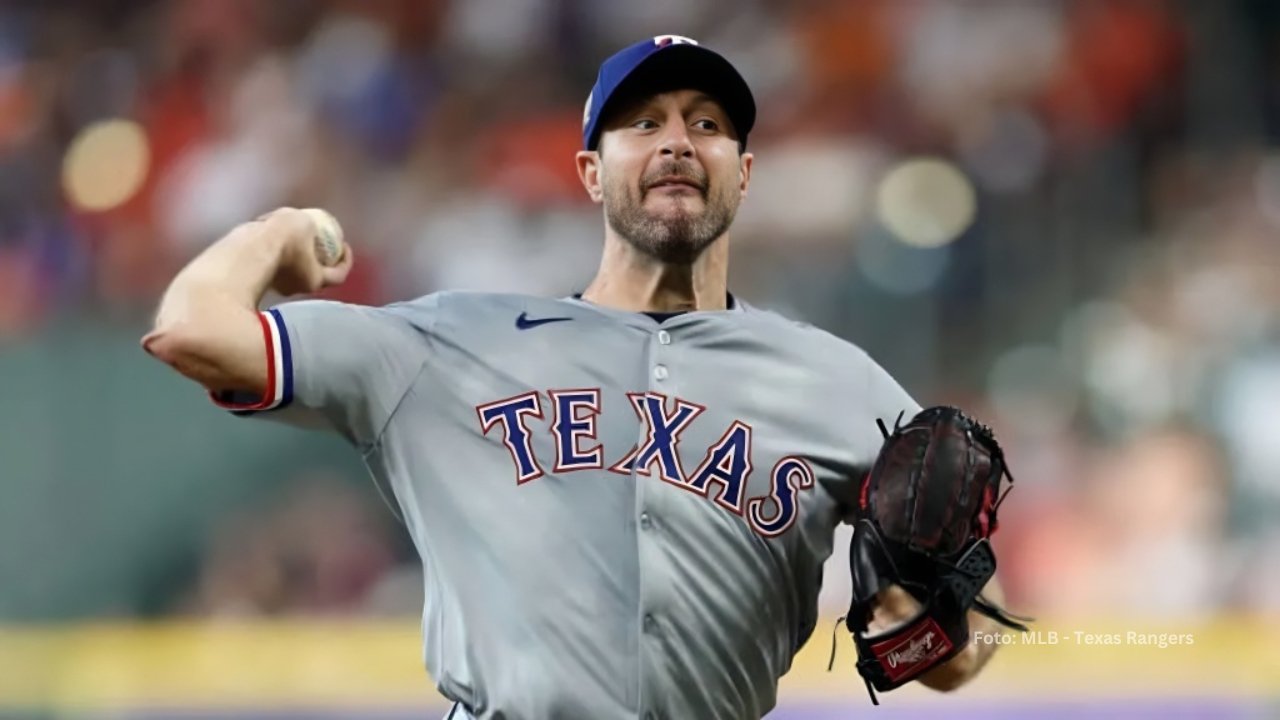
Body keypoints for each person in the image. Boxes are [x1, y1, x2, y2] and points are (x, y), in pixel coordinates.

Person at [144, 35, 1008, 720]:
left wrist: (927, 633)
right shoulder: (446, 343)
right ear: (592, 174)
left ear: (743, 176)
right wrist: (276, 230)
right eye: (644, 122)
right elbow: (191, 330)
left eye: (707, 124)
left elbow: (968, 637)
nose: (677, 140)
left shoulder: (837, 383)